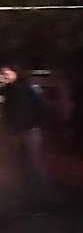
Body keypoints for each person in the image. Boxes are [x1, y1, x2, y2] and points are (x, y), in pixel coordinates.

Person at [0, 65, 52, 208]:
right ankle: (28, 195)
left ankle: (42, 195)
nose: (5, 76)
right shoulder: (9, 89)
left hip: (29, 130)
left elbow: (41, 106)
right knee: (22, 163)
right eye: (3, 73)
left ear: (15, 72)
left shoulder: (27, 87)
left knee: (35, 163)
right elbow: (8, 110)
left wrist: (35, 122)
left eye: (7, 73)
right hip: (17, 131)